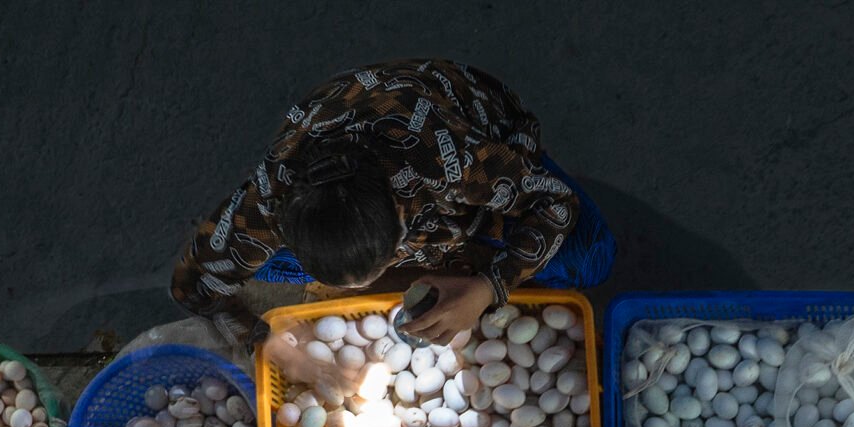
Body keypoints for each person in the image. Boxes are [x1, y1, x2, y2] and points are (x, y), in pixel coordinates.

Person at [172, 60, 612, 341]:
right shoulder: (271, 198)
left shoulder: (452, 166)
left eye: (384, 266)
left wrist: (486, 289)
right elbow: (193, 285)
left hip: (481, 133)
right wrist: (265, 344)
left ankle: (464, 251)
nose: (366, 289)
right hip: (363, 173)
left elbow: (557, 205)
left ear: (404, 219)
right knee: (253, 263)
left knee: (589, 258)